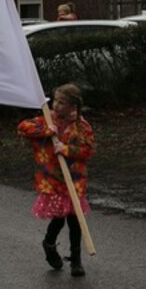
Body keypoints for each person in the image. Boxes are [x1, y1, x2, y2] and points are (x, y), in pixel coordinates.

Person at [17, 83, 95, 277]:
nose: (56, 105)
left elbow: (88, 151)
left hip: (75, 180)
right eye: (55, 101)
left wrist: (66, 149)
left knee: (75, 220)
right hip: (53, 179)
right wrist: (47, 131)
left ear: (73, 106)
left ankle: (76, 260)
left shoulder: (82, 126)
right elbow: (23, 127)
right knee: (59, 218)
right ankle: (49, 244)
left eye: (61, 102)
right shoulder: (47, 119)